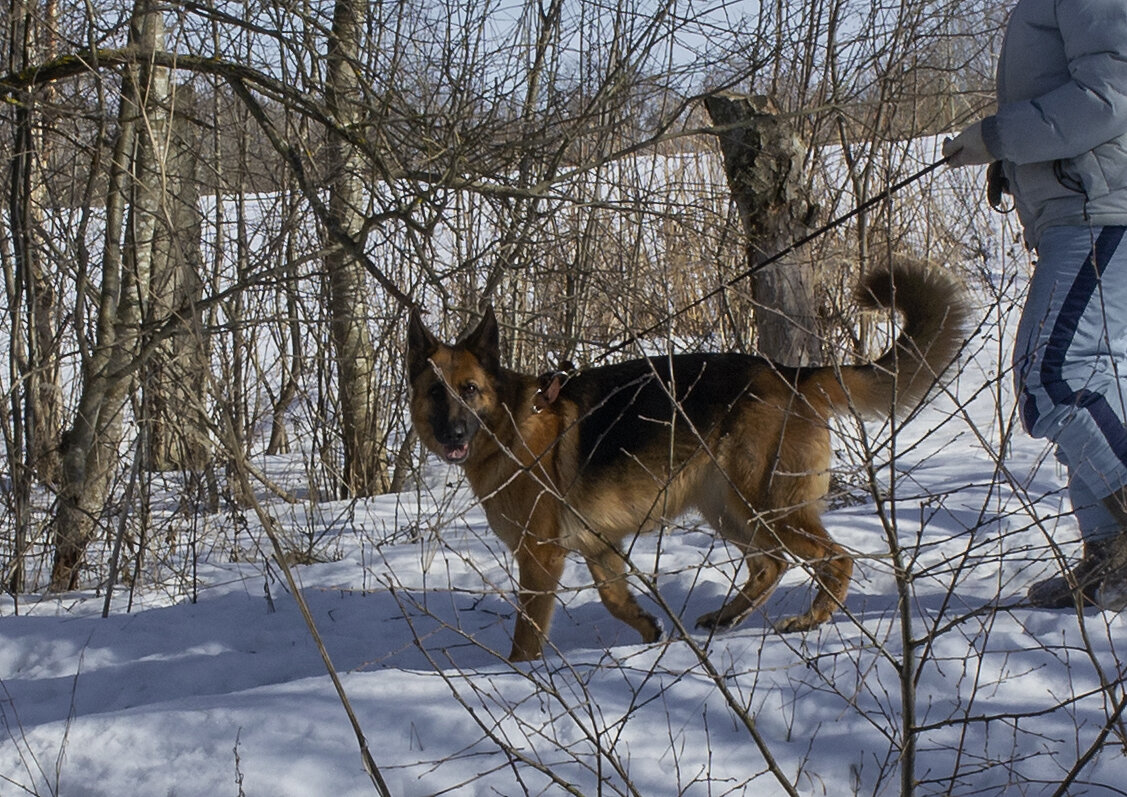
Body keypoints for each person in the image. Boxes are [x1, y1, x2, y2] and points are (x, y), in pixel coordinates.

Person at [943, 0, 1127, 609]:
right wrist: (1014, 161)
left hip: (1099, 210)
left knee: (1054, 375)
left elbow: (1110, 94)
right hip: (1083, 206)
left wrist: (1000, 135)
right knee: (1100, 382)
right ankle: (1111, 561)